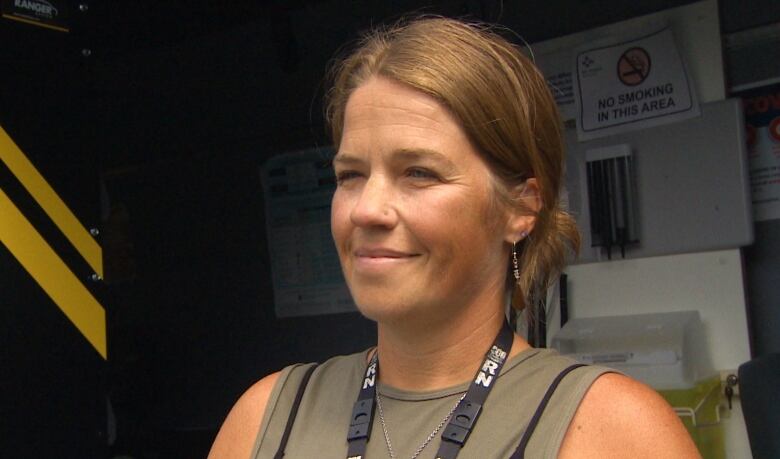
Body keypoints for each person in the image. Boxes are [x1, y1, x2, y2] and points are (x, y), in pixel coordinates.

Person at [209, 17, 700, 459]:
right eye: (351, 175)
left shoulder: (611, 431)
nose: (366, 209)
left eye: (419, 173)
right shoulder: (264, 418)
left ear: (521, 207)